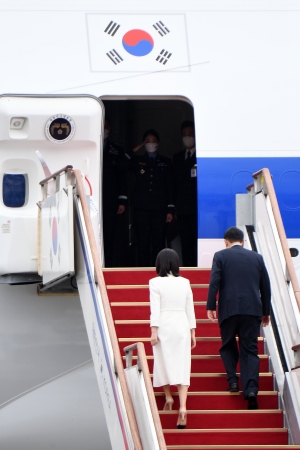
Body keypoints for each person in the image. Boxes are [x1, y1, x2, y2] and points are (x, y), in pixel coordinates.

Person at [206, 227, 271, 410]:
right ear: (243, 242)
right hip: (252, 310)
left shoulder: (220, 256)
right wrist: (266, 311)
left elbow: (214, 282)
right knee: (250, 350)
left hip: (228, 309)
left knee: (228, 344)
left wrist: (211, 306)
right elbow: (265, 286)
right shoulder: (257, 258)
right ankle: (251, 390)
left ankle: (233, 381)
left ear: (226, 242)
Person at [150, 248, 196, 428]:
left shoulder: (154, 282)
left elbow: (155, 308)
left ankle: (169, 396)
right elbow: (189, 307)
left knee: (162, 361)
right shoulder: (185, 282)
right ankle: (183, 407)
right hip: (182, 325)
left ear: (159, 263)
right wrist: (193, 331)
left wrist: (153, 330)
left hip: (164, 325)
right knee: (183, 364)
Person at [128, 129, 174, 266]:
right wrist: (139, 146)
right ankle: (143, 270)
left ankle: (159, 269)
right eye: (148, 141)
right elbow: (122, 162)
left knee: (159, 241)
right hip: (141, 208)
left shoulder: (165, 161)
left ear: (158, 143)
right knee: (143, 241)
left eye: (154, 141)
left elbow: (170, 185)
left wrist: (170, 209)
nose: (151, 144)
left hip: (160, 208)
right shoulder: (138, 160)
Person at [102, 118, 127, 267]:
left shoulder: (116, 149)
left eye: (105, 126)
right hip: (92, 197)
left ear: (110, 128)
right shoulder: (91, 145)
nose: (103, 129)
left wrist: (122, 199)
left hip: (111, 199)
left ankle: (108, 264)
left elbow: (122, 175)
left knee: (110, 233)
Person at [173, 121, 197, 266]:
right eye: (184, 134)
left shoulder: (200, 156)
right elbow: (174, 184)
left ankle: (195, 266)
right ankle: (187, 269)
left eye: (190, 134)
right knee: (184, 243)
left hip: (196, 208)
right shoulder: (177, 158)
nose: (187, 137)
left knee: (195, 241)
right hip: (182, 208)